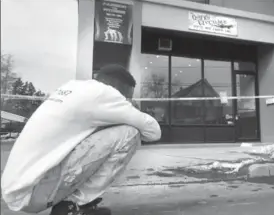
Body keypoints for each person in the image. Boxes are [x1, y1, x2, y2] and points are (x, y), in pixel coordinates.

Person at [1, 64, 161, 215]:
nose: (126, 102)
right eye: (127, 98)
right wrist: (129, 109)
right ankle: (73, 206)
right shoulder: (106, 94)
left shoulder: (73, 87)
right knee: (129, 133)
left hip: (18, 189)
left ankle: (73, 205)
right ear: (119, 90)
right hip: (33, 192)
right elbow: (154, 131)